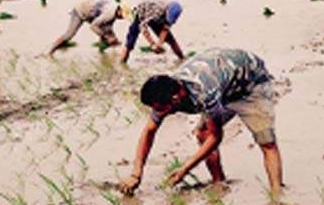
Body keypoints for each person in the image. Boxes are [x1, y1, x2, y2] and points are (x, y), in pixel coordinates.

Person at [120, 48, 283, 195]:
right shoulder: (165, 95)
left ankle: (277, 194)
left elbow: (216, 137)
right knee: (203, 133)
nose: (158, 113)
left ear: (176, 98)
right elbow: (149, 131)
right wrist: (136, 173)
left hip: (251, 82)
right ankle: (219, 183)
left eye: (161, 108)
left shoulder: (204, 92)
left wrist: (184, 169)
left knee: (266, 141)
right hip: (224, 81)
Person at [47, 0, 131, 55]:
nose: (122, 18)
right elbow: (93, 26)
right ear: (119, 10)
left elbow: (108, 26)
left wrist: (112, 36)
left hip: (92, 13)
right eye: (123, 16)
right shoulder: (109, 14)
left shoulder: (114, 11)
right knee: (69, 35)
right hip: (80, 12)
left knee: (105, 31)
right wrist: (106, 36)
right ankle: (50, 51)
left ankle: (101, 53)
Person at [120, 0, 185, 64]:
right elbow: (143, 27)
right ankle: (122, 62)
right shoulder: (156, 11)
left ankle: (183, 59)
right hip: (140, 14)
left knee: (170, 40)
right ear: (166, 10)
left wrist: (159, 44)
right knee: (130, 42)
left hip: (157, 16)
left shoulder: (174, 12)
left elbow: (165, 29)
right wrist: (152, 44)